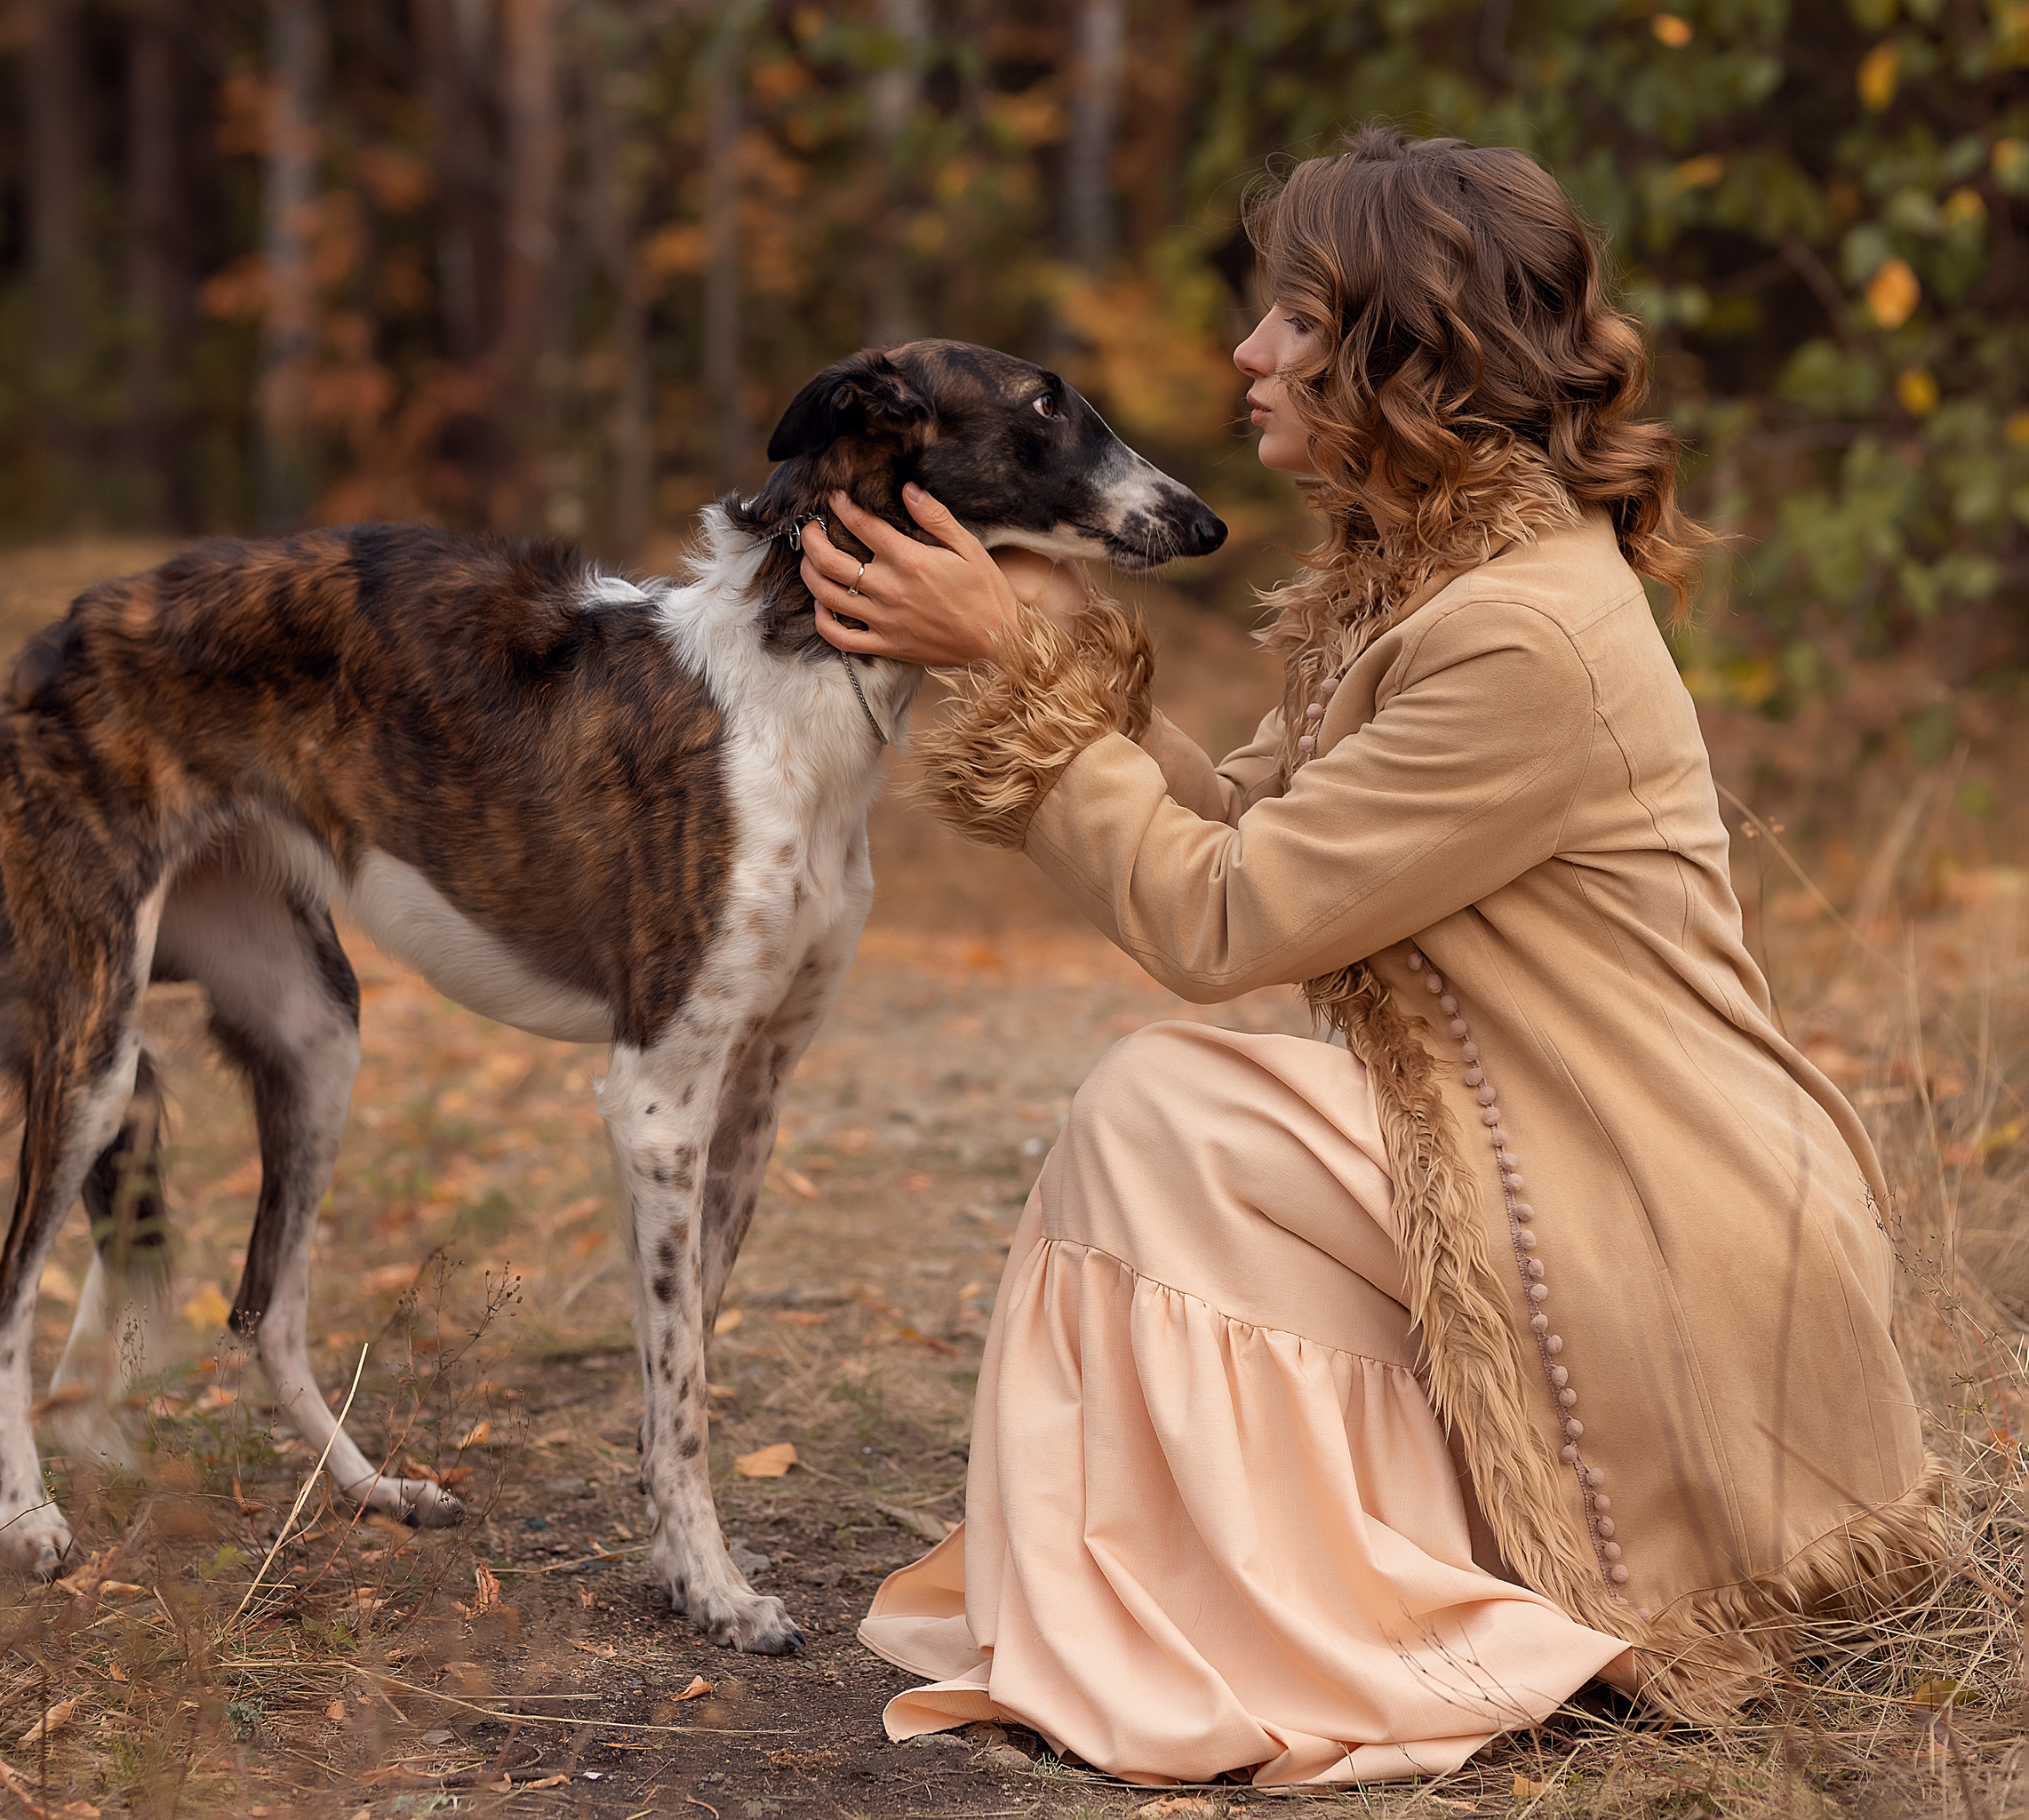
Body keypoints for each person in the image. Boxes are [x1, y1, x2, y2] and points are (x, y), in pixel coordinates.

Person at [790, 127, 1951, 1788]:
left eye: (1290, 320)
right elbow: (1245, 832)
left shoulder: (1520, 632)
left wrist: (1013, 663)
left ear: (1408, 353)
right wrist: (1030, 649)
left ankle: (1308, 1613)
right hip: (1538, 1152)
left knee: (1161, 1109)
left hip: (1664, 1211)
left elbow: (1226, 921)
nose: (1246, 354)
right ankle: (1233, 1584)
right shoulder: (1420, 586)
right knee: (1178, 1126)